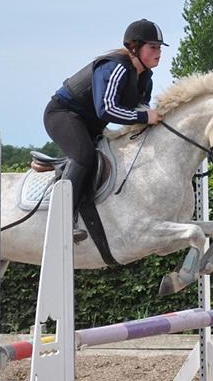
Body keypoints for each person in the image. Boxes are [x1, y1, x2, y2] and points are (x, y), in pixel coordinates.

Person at [44, 19, 168, 241]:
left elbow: (140, 110)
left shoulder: (145, 77)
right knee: (84, 155)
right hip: (63, 114)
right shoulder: (116, 67)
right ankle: (61, 221)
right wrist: (144, 116)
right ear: (134, 47)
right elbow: (107, 110)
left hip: (89, 124)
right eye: (153, 47)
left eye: (159, 48)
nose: (159, 53)